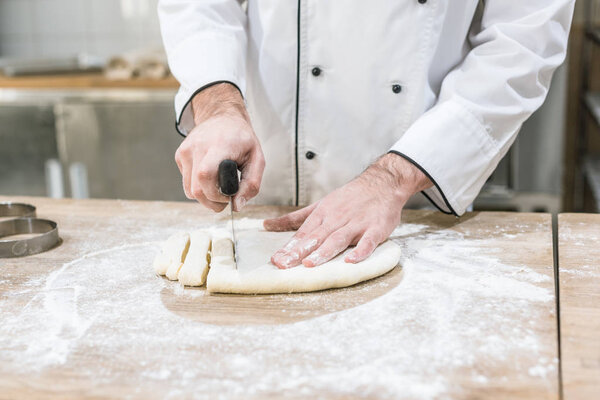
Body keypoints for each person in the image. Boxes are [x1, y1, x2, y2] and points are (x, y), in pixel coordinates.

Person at [158, 0, 574, 269]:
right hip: (265, 178)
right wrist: (217, 106)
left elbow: (522, 46)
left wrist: (391, 179)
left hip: (409, 201)